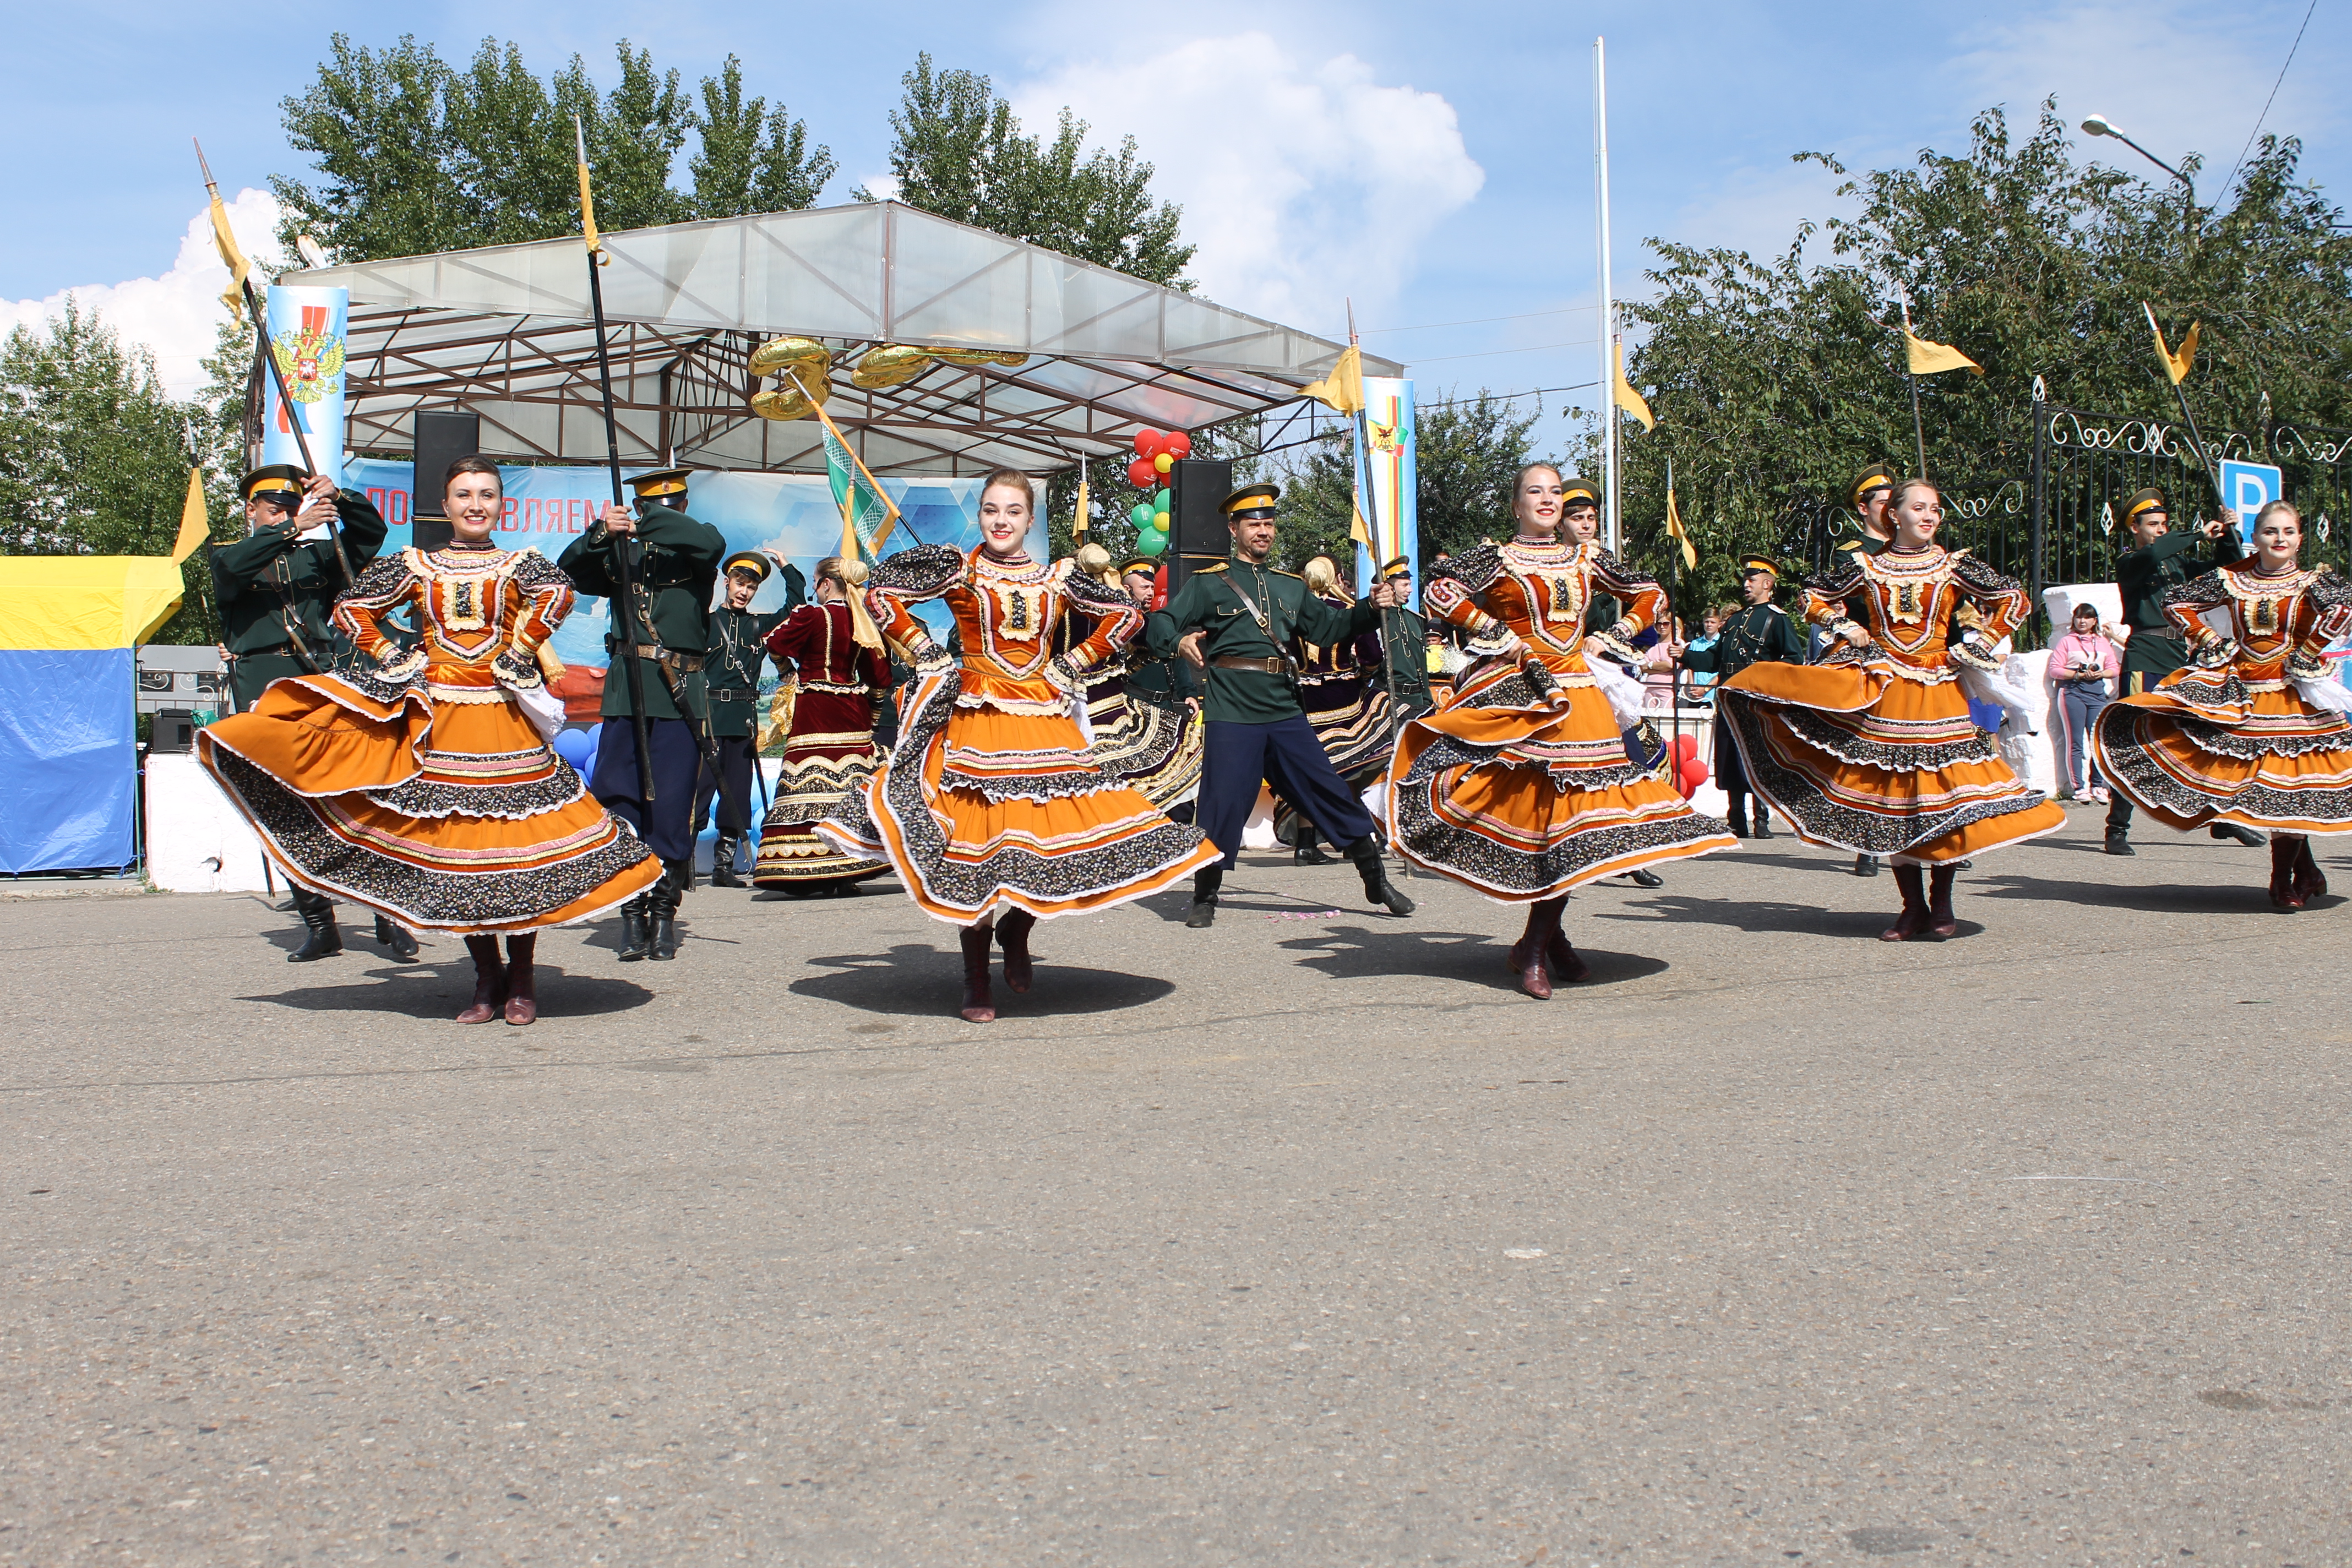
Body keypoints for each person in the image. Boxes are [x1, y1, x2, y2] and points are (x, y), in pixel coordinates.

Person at [195, 456, 662, 1022]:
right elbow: (353, 609)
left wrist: (519, 651)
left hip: (503, 722)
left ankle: (522, 979)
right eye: (463, 494)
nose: (475, 504)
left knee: (513, 856)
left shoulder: (520, 562)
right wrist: (394, 656)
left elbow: (558, 593)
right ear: (446, 506)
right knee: (456, 856)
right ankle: (485, 979)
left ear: (499, 504)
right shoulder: (416, 563)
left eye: (486, 494)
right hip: (441, 722)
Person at [818, 470, 1218, 1021]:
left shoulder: (1058, 577)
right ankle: (975, 977)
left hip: (1043, 718)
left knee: (1052, 837)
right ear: (980, 516)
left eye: (1012, 511)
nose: (1000, 521)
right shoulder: (961, 567)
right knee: (976, 845)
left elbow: (1126, 614)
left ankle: (1018, 924)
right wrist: (924, 649)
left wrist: (1073, 662)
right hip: (977, 717)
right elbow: (880, 589)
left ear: (1031, 521)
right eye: (990, 510)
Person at [1387, 464, 1735, 997]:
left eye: (1554, 492)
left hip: (1581, 697)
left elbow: (1652, 594)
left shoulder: (1586, 555)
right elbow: (1439, 593)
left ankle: (1537, 943)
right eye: (1535, 491)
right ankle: (1545, 943)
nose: (1547, 500)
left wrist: (1614, 634)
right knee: (1541, 819)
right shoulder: (1496, 554)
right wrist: (1498, 634)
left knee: (1582, 823)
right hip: (1527, 692)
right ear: (1516, 504)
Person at [1716, 478, 2065, 939]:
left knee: (1945, 796)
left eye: (1936, 509)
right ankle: (1911, 907)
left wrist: (1979, 641)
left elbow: (2014, 598)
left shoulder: (1951, 564)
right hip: (1889, 690)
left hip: (1941, 687)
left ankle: (1942, 905)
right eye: (1918, 508)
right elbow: (1809, 597)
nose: (1929, 516)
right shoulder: (1866, 565)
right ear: (1893, 515)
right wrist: (1841, 623)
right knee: (1896, 799)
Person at [1147, 483, 1417, 928]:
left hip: (1284, 708)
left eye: (1268, 523)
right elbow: (1161, 623)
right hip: (1232, 707)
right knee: (1222, 801)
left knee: (1326, 789)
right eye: (1253, 523)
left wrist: (1372, 606)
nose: (1263, 531)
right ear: (1234, 529)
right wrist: (1179, 642)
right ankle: (1206, 895)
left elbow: (1332, 629)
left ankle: (1375, 877)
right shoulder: (1208, 584)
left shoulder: (1290, 588)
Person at [2095, 500, 2352, 908]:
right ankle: (2303, 871)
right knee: (2256, 788)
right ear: (2256, 537)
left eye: (2288, 532)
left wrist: (2310, 651)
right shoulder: (2233, 578)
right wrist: (2213, 641)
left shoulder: (2312, 581)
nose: (2279, 539)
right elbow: (2177, 603)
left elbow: (2342, 609)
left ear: (2300, 538)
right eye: (2270, 531)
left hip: (2293, 697)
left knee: (2287, 788)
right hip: (2245, 691)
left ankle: (2283, 877)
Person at [208, 463, 412, 961]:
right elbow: (233, 571)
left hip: (318, 679)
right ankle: (320, 923)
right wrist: (289, 529)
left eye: (290, 506)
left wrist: (340, 498)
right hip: (262, 684)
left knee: (357, 792)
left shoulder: (319, 556)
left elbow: (370, 533)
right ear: (251, 509)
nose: (283, 513)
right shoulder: (232, 556)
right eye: (272, 507)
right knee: (286, 806)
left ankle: (388, 915)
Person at [556, 468, 726, 961]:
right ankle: (632, 912)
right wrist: (600, 532)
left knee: (672, 803)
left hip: (679, 692)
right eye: (650, 505)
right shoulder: (622, 551)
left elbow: (704, 545)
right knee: (619, 796)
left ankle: (664, 912)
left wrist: (645, 516)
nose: (661, 513)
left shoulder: (698, 543)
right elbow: (572, 571)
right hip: (628, 688)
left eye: (669, 506)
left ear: (683, 506)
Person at [2102, 487, 2262, 854]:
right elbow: (2156, 552)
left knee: (2206, 736)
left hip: (2181, 655)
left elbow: (2226, 571)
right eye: (2153, 524)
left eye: (2164, 524)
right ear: (2134, 528)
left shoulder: (2178, 566)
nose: (2160, 530)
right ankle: (2116, 829)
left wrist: (2226, 536)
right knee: (2132, 738)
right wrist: (2197, 535)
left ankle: (2223, 820)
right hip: (2145, 655)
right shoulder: (2131, 562)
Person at [752, 555, 896, 897]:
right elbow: (880, 677)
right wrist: (873, 716)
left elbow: (773, 642)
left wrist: (788, 671)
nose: (815, 589)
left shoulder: (813, 615)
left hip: (816, 708)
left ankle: (804, 865)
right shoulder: (863, 622)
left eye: (816, 583)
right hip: (852, 710)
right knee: (850, 785)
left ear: (826, 584)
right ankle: (850, 866)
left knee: (808, 780)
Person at [1675, 558, 1805, 838]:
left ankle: (1761, 820)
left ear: (1768, 584)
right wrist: (1684, 655)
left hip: (1756, 699)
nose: (1746, 585)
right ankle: (1736, 819)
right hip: (1729, 696)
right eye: (1745, 580)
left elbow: (1795, 658)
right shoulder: (1734, 620)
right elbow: (1714, 659)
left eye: (1752, 580)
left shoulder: (1777, 619)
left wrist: (1765, 678)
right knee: (1729, 757)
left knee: (1756, 756)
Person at [695, 551, 803, 887]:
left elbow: (795, 607)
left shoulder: (759, 626)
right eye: (740, 584)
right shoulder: (706, 622)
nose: (744, 592)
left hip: (742, 720)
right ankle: (678, 865)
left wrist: (786, 567)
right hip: (710, 720)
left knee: (737, 794)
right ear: (727, 583)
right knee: (698, 791)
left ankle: (723, 868)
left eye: (751, 587)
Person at [1279, 553, 1392, 865]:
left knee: (1310, 770)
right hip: (1344, 696)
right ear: (1335, 578)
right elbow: (1371, 655)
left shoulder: (1293, 613)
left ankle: (1305, 844)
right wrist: (1366, 675)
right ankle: (1352, 838)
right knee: (1354, 761)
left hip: (1304, 699)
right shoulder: (1349, 610)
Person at [2048, 602, 2121, 803]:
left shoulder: (2102, 642)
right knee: (2076, 742)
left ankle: (2098, 785)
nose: (2082, 621)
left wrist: (2100, 674)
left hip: (2097, 693)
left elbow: (2114, 668)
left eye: (2087, 617)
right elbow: (2055, 670)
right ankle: (2079, 787)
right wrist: (2078, 675)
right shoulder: (2066, 642)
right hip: (2073, 692)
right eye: (2079, 617)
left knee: (2098, 741)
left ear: (2094, 621)